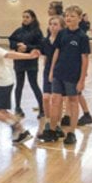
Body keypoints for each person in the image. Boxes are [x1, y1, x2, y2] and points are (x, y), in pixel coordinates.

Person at [52, 9, 92, 145]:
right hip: (59, 73)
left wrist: (81, 80)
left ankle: (71, 133)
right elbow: (57, 52)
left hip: (73, 75)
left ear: (80, 18)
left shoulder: (82, 37)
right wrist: (52, 70)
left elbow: (85, 59)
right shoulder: (61, 33)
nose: (68, 18)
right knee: (56, 100)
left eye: (72, 16)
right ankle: (54, 129)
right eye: (67, 16)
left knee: (73, 101)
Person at [9, 9, 43, 118]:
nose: (25, 19)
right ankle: (17, 108)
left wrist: (27, 47)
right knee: (19, 85)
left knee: (34, 84)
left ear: (32, 18)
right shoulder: (18, 30)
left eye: (27, 17)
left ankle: (42, 108)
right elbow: (11, 41)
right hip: (19, 62)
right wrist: (17, 46)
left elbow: (40, 46)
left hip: (31, 62)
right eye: (23, 17)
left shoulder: (37, 31)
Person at [38, 13, 63, 142]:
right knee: (46, 97)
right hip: (47, 70)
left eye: (55, 24)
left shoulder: (63, 40)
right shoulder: (45, 41)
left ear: (61, 27)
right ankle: (48, 121)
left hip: (59, 71)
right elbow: (44, 54)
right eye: (51, 24)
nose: (52, 27)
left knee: (56, 99)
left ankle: (57, 124)